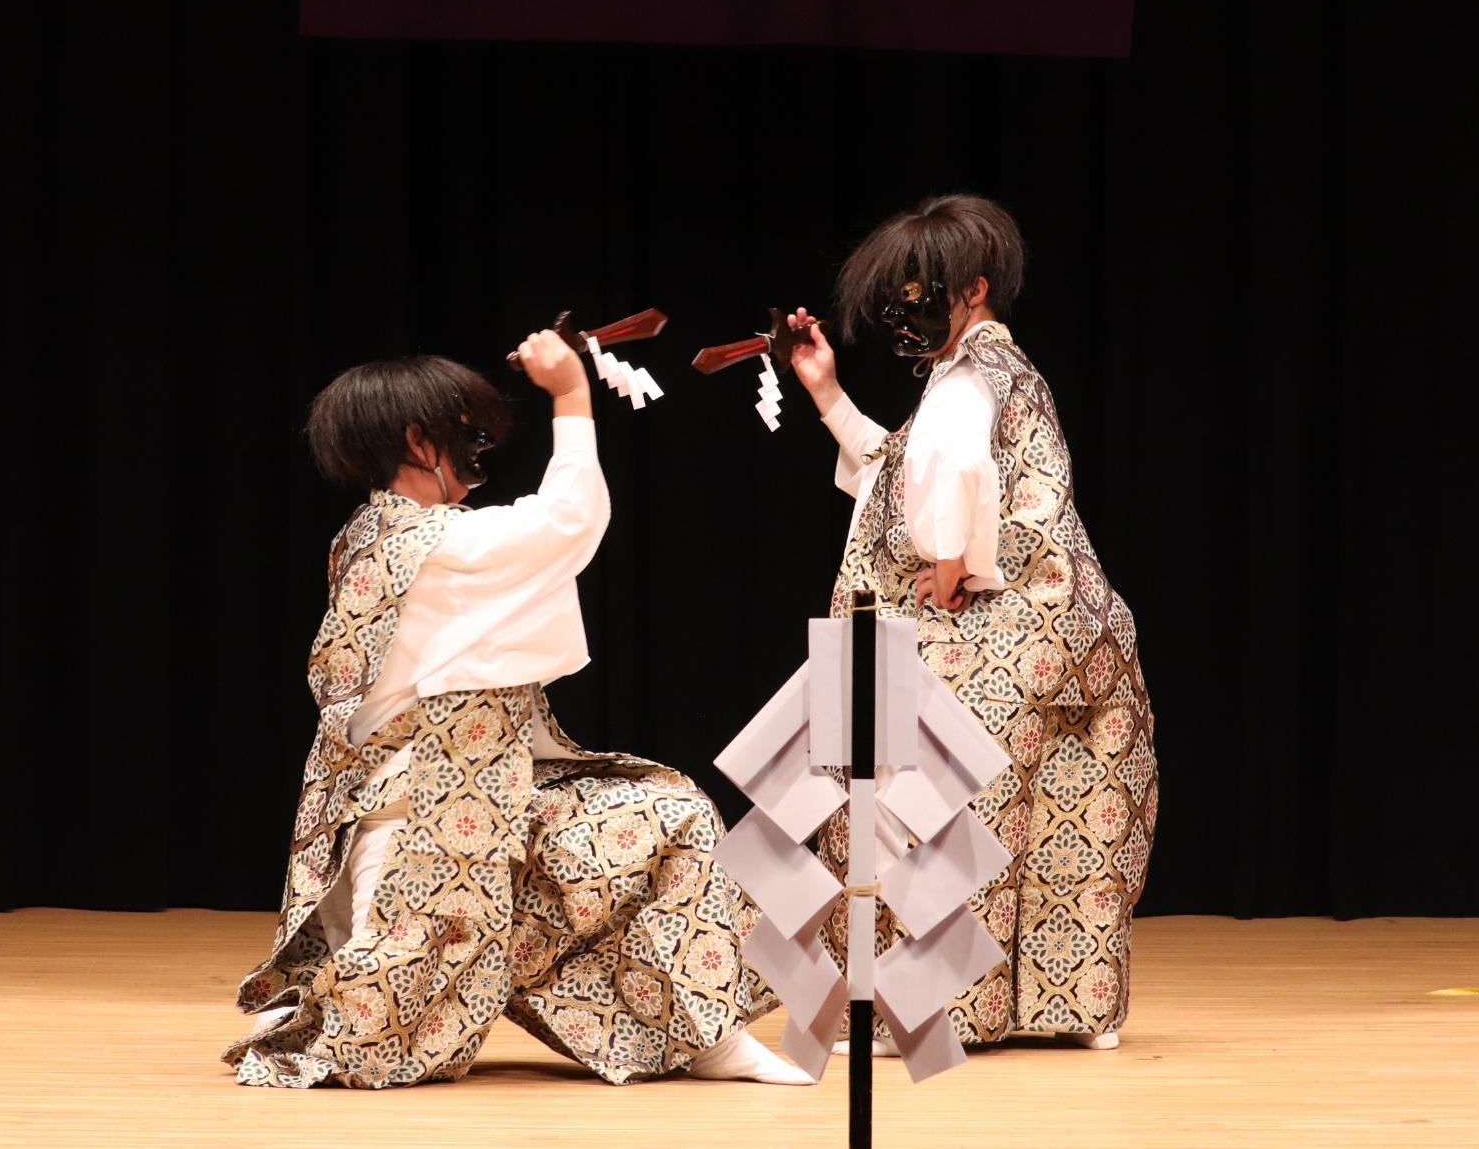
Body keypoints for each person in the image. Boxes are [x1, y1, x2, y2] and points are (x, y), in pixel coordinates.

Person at [224, 332, 804, 1088]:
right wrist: (569, 393)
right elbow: (568, 522)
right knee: (379, 1032)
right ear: (415, 438)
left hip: (472, 800)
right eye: (466, 430)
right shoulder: (438, 543)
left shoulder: (372, 531)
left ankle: (706, 1034)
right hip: (421, 822)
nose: (480, 445)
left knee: (667, 817)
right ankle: (335, 996)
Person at [786, 195, 1158, 1051]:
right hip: (1080, 630)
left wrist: (950, 559)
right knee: (1076, 813)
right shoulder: (1011, 372)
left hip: (994, 637)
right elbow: (908, 468)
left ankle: (931, 1012)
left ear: (974, 289)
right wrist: (829, 394)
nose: (905, 312)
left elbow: (944, 471)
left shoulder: (964, 382)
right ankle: (1072, 1011)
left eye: (921, 292)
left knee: (913, 804)